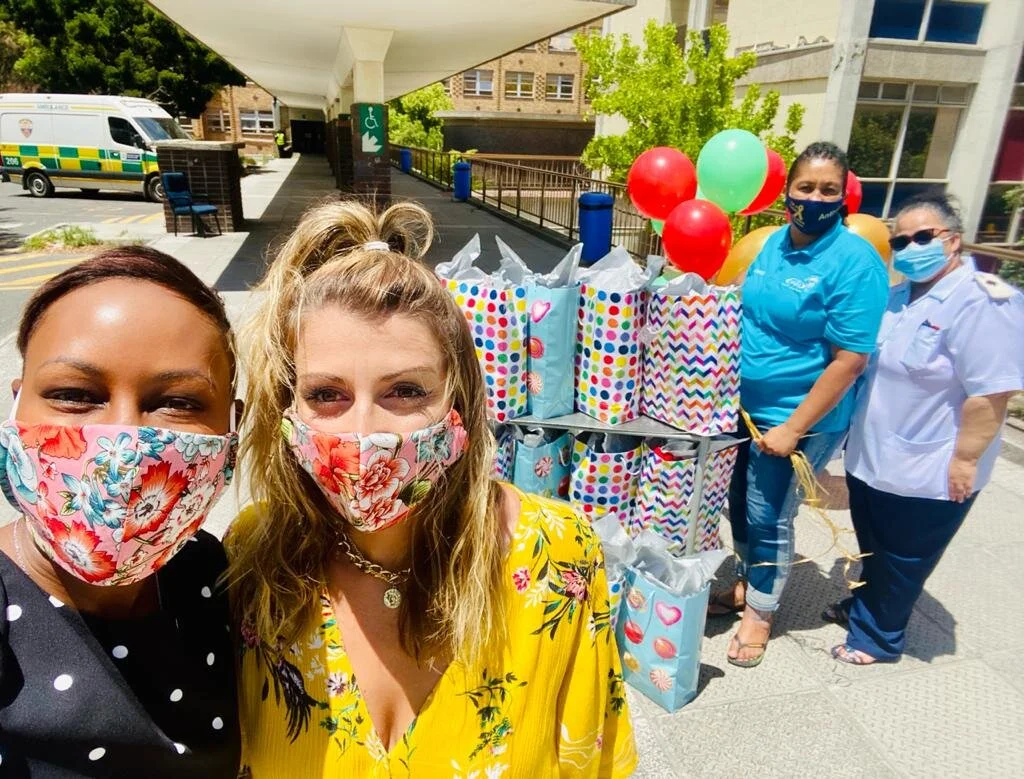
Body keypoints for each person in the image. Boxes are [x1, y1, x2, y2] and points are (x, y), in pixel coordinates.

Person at [226, 201, 636, 776]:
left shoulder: (557, 554)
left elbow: (591, 760)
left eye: (405, 391)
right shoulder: (253, 557)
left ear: (457, 401)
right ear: (287, 408)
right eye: (326, 395)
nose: (364, 432)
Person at [0, 247, 242, 775]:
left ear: (232, 427)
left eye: (178, 402)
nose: (123, 440)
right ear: (17, 406)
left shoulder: (211, 572)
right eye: (73, 394)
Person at [710, 142, 890, 668]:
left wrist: (793, 427)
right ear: (787, 192)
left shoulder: (854, 261)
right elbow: (745, 301)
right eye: (805, 187)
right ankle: (748, 582)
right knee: (739, 502)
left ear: (844, 198)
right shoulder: (774, 245)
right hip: (742, 408)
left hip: (800, 415)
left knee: (769, 512)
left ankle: (761, 612)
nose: (815, 198)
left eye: (828, 190)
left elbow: (849, 361)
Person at [831, 192, 1024, 665]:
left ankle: (877, 638)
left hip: (930, 465)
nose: (909, 248)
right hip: (874, 455)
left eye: (922, 237)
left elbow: (991, 392)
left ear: (953, 240)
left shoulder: (982, 301)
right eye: (899, 241)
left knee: (904, 556)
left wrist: (966, 459)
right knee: (874, 546)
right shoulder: (898, 297)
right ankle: (866, 608)